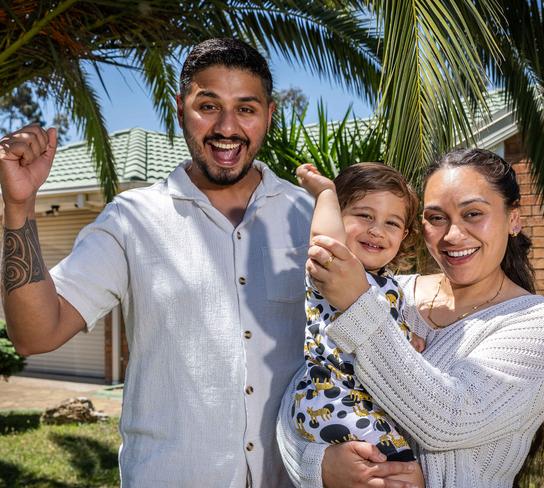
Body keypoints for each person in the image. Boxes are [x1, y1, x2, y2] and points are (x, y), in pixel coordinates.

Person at [0, 39, 314, 487]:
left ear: (269, 112)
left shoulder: (310, 216)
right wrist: (18, 206)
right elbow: (34, 333)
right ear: (179, 109)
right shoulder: (132, 219)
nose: (227, 127)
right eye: (208, 105)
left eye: (246, 108)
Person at [277, 148, 544, 488]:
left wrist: (358, 304)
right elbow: (305, 386)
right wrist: (319, 466)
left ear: (514, 219)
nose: (452, 235)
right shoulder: (390, 291)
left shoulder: (540, 323)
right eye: (436, 218)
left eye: (473, 213)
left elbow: (448, 420)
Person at [292, 163, 425, 487]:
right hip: (331, 395)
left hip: (358, 401)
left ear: (404, 235)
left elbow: (382, 331)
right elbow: (325, 241)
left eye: (391, 223)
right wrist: (325, 192)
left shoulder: (390, 284)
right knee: (397, 467)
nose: (377, 230)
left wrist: (410, 340)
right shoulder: (333, 272)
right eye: (365, 215)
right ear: (338, 216)